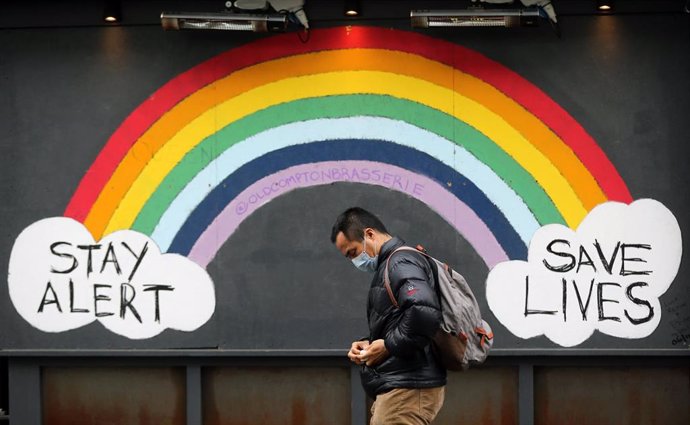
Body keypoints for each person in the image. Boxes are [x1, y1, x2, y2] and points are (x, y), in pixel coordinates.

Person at [330, 207, 446, 425]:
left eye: (353, 253)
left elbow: (424, 312)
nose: (354, 261)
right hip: (404, 386)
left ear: (370, 235)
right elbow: (403, 319)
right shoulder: (392, 264)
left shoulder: (399, 262)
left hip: (407, 389)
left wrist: (387, 347)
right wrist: (369, 344)